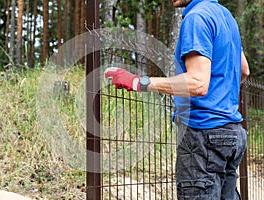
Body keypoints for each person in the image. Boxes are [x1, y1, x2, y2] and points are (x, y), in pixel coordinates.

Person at [104, 0, 250, 199]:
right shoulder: (227, 18)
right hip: (232, 133)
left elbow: (197, 83)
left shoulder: (196, 17)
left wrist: (138, 82)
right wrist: (220, 97)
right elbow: (244, 70)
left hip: (203, 133)